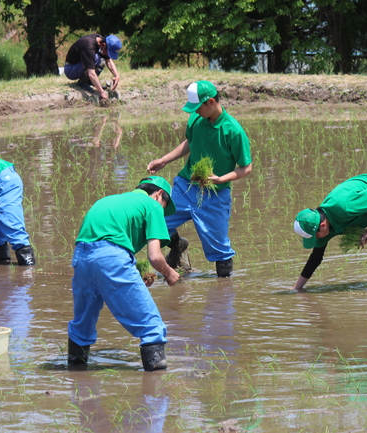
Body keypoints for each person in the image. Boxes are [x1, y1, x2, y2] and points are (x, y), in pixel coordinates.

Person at [67, 176, 180, 371]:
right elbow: (155, 256)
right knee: (152, 327)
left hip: (81, 257)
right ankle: (156, 391)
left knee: (82, 325)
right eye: (164, 205)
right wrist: (169, 273)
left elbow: (98, 249)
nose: (162, 210)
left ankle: (76, 378)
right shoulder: (152, 206)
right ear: (159, 194)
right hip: (112, 258)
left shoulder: (107, 200)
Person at [147, 80, 252, 277]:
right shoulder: (196, 121)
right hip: (186, 188)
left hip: (215, 195)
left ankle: (223, 293)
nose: (195, 112)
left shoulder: (233, 131)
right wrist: (164, 160)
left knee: (220, 249)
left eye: (198, 108)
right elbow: (190, 142)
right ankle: (177, 247)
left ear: (211, 102)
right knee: (157, 222)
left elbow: (246, 167)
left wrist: (221, 179)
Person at [64, 34, 122, 100]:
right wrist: (101, 92)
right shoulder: (88, 46)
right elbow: (91, 74)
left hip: (80, 65)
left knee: (100, 59)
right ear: (103, 45)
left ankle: (89, 82)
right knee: (97, 58)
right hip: (71, 69)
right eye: (108, 52)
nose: (107, 55)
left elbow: (108, 60)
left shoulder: (101, 41)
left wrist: (117, 76)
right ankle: (82, 83)